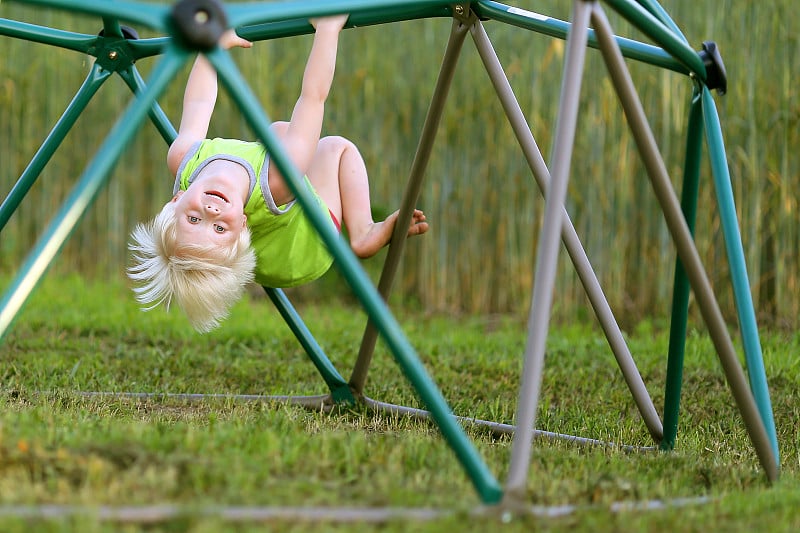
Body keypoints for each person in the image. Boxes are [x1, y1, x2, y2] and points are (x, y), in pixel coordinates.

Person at [127, 15, 428, 332]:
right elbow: (313, 97)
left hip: (270, 241)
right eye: (218, 228)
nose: (211, 211)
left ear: (175, 200)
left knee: (279, 133)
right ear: (243, 225)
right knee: (337, 148)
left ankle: (231, 233)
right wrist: (327, 29)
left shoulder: (183, 158)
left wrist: (211, 50)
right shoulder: (279, 179)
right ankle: (364, 233)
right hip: (308, 246)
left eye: (193, 220)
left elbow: (199, 102)